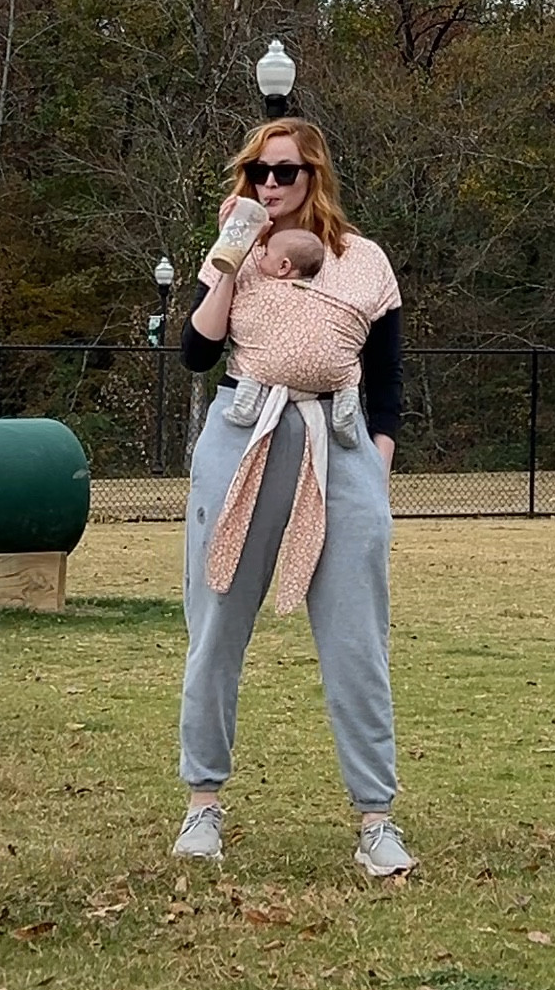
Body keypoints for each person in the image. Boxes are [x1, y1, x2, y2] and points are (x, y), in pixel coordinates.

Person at [172, 117, 411, 881]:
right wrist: (229, 260)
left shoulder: (364, 262)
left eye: (283, 173)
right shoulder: (233, 254)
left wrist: (373, 466)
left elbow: (389, 383)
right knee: (215, 625)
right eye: (256, 174)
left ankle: (376, 819)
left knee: (355, 639)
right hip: (243, 432)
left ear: (315, 177)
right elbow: (196, 353)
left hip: (335, 442)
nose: (268, 186)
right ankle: (202, 803)